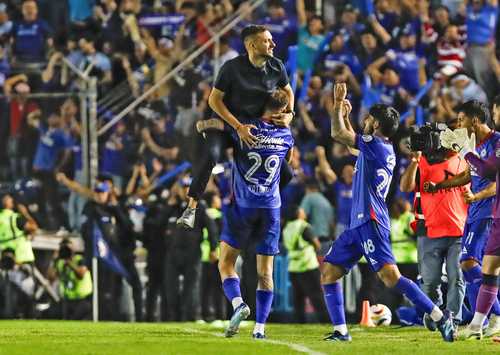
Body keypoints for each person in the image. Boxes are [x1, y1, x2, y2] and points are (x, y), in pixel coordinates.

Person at [321, 83, 456, 342]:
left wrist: (337, 105)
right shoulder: (381, 147)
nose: (366, 120)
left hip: (371, 221)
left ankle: (440, 316)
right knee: (329, 272)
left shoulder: (375, 145)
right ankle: (341, 331)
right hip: (359, 225)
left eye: (369, 118)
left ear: (377, 124)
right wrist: (348, 117)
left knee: (390, 277)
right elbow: (353, 147)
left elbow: (338, 134)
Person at [176, 24, 295, 229]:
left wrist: (290, 115)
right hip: (227, 123)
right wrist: (237, 126)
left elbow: (289, 92)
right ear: (252, 45)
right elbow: (214, 101)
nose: (273, 44)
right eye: (267, 41)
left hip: (254, 128)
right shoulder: (231, 68)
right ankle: (191, 208)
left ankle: (258, 207)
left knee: (287, 174)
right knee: (211, 157)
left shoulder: (276, 66)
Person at [217, 89, 293, 339]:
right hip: (271, 207)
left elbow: (220, 124)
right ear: (283, 111)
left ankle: (238, 303)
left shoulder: (245, 129)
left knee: (226, 262)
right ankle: (260, 328)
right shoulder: (286, 134)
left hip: (244, 205)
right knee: (265, 272)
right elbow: (289, 166)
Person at [423, 100, 500, 336]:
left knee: (470, 264)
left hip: (488, 212)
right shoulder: (477, 143)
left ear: (475, 120)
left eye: (461, 119)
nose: (458, 124)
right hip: (476, 214)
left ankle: (490, 316)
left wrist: (477, 196)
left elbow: (493, 180)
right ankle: (487, 317)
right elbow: (469, 173)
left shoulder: (496, 142)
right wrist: (440, 185)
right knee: (477, 268)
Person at [282, 206, 327, 323]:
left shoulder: (286, 228)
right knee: (317, 296)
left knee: (298, 298)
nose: (304, 212)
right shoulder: (303, 226)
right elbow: (317, 244)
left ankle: (299, 322)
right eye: (302, 210)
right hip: (308, 266)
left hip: (293, 267)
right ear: (298, 214)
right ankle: (325, 321)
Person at [54, 238, 92, 320]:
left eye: (67, 248)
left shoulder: (80, 259)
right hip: (67, 300)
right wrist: (54, 259)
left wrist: (69, 264)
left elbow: (81, 275)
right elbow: (51, 277)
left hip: (82, 300)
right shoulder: (60, 262)